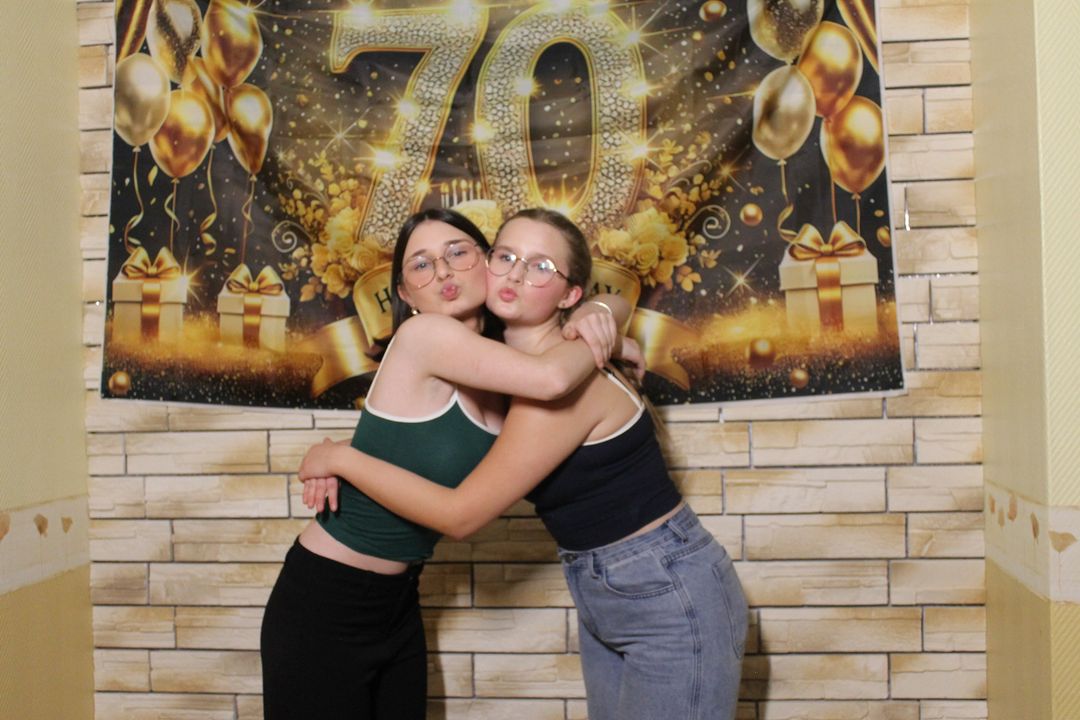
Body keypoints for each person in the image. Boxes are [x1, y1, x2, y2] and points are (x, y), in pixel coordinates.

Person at [299, 207, 749, 720]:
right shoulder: (506, 363)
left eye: (539, 267)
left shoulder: (553, 384)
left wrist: (340, 456)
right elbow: (428, 439)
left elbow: (461, 514)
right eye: (506, 257)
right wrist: (604, 320)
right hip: (610, 586)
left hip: (662, 585)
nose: (514, 275)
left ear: (569, 294)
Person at [260, 207, 635, 720]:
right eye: (421, 265)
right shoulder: (424, 337)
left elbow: (405, 447)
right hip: (325, 599)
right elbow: (553, 380)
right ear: (406, 295)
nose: (442, 272)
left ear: (489, 262)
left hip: (397, 600)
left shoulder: (505, 360)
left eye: (458, 253)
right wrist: (338, 457)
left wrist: (604, 314)